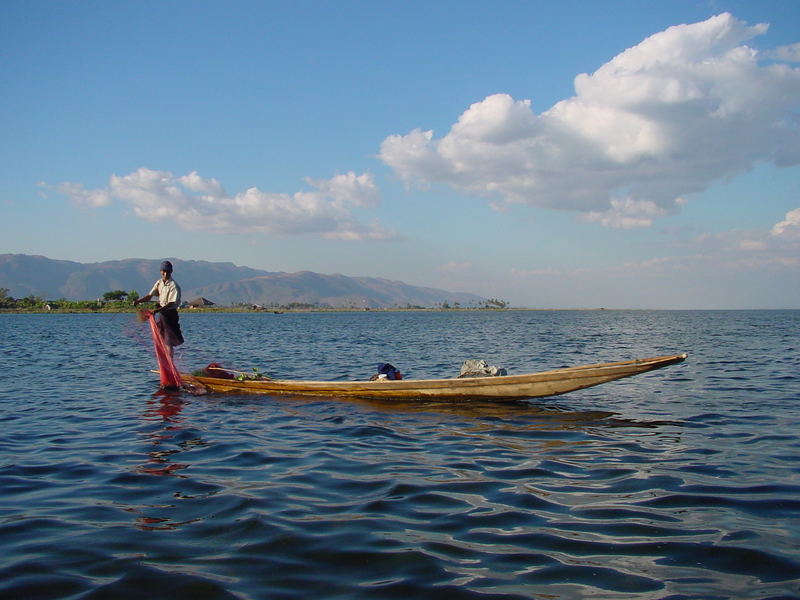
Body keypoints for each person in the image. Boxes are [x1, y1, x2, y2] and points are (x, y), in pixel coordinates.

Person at [134, 260, 184, 355]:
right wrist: (138, 301)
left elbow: (170, 303)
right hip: (162, 314)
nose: (165, 273)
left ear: (171, 272)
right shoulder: (159, 283)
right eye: (163, 271)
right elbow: (149, 296)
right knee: (161, 338)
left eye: (167, 271)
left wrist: (156, 310)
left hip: (170, 314)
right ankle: (165, 361)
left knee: (169, 341)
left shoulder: (174, 286)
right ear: (161, 271)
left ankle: (170, 364)